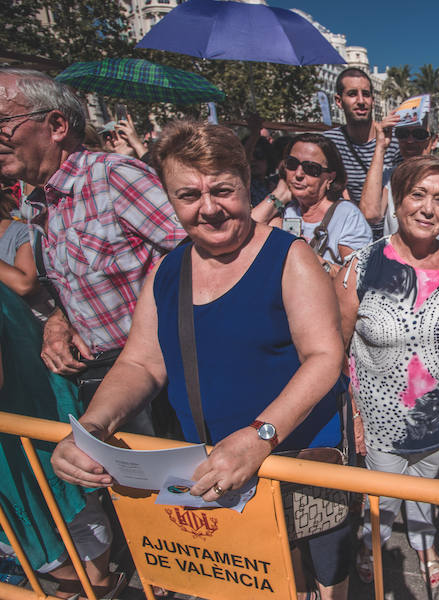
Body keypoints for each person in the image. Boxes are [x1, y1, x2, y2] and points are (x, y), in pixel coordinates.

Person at [50, 121, 350, 600]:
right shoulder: (166, 272)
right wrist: (92, 428)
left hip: (296, 466)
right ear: (169, 198)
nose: (208, 209)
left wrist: (259, 437)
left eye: (223, 190)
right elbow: (140, 364)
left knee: (315, 585)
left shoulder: (289, 257)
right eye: (188, 195)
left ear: (246, 185)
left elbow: (324, 356)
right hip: (214, 475)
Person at [0, 69, 186, 434]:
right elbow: (78, 282)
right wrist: (60, 319)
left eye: (3, 121)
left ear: (56, 125)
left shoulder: (114, 176)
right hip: (110, 386)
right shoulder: (40, 204)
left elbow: (200, 262)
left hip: (165, 384)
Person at [334, 155, 439, 591]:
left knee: (425, 494)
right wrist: (354, 417)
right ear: (397, 200)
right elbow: (337, 350)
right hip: (381, 427)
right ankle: (370, 546)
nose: (428, 208)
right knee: (381, 505)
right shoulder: (360, 267)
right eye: (417, 195)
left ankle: (425, 544)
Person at [0, 282, 125, 599]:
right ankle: (78, 583)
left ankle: (97, 584)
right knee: (26, 519)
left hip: (29, 408)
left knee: (71, 502)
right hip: (18, 425)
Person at [358, 105, 439, 257]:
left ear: (433, 141)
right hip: (398, 268)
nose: (410, 141)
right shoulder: (390, 176)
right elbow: (370, 214)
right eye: (403, 133)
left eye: (419, 134)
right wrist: (380, 146)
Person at [251, 133, 372, 267]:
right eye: (292, 164)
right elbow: (244, 233)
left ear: (330, 177)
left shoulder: (346, 216)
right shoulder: (283, 209)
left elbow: (356, 276)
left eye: (311, 168)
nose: (298, 174)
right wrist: (279, 194)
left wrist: (308, 258)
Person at [323, 68, 400, 205]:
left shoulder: (394, 141)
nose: (361, 101)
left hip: (387, 224)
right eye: (352, 94)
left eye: (365, 94)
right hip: (349, 223)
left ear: (373, 100)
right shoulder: (329, 142)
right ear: (339, 101)